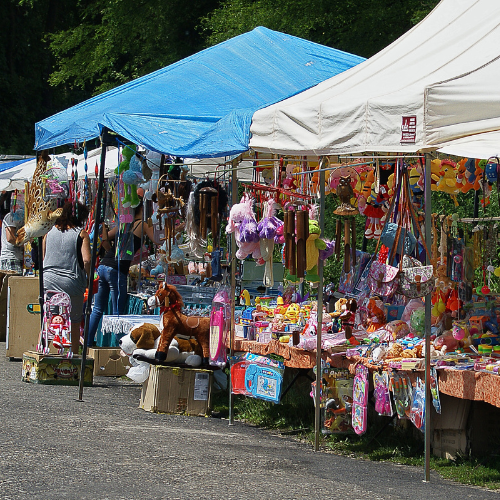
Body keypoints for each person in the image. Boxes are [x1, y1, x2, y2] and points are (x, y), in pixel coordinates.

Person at [88, 199, 157, 346]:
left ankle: (87, 342)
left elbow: (104, 238)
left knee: (98, 308)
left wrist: (109, 249)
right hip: (117, 270)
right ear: (142, 209)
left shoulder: (123, 225)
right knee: (117, 312)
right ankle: (118, 346)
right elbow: (157, 240)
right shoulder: (142, 224)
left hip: (104, 265)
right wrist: (176, 229)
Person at [42, 201, 91, 353]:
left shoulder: (48, 232)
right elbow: (87, 260)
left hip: (48, 281)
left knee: (49, 319)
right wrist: (88, 278)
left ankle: (42, 352)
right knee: (74, 321)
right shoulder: (81, 234)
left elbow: (43, 256)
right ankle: (74, 357)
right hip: (72, 283)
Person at [0, 208, 25, 274]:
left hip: (19, 257)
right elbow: (10, 238)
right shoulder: (11, 217)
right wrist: (24, 244)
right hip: (10, 257)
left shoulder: (23, 218)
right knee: (15, 282)